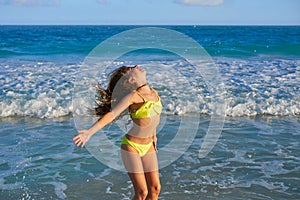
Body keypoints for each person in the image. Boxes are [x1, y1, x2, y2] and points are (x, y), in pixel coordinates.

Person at [73, 65, 162, 200]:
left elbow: (153, 118)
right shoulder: (134, 97)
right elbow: (112, 114)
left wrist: (154, 136)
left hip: (149, 145)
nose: (137, 66)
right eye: (133, 68)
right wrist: (89, 132)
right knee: (142, 192)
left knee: (155, 189)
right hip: (132, 147)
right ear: (131, 80)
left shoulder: (154, 93)